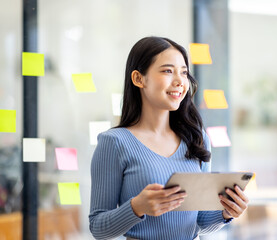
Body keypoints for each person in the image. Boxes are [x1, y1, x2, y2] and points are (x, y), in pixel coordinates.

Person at [89, 36, 249, 240]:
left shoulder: (197, 138)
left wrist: (226, 212)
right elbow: (98, 228)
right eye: (167, 71)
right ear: (139, 79)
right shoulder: (115, 143)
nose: (180, 81)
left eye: (183, 72)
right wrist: (137, 207)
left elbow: (199, 222)